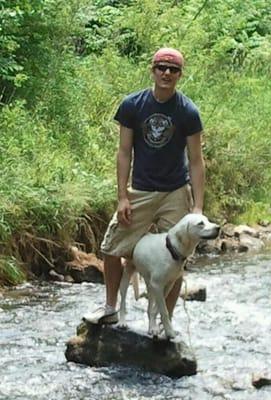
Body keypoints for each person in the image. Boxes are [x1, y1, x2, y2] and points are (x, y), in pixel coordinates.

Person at [83, 47, 205, 324]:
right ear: (152, 70)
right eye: (161, 67)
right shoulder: (132, 105)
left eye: (173, 70)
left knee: (176, 258)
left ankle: (166, 322)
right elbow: (124, 152)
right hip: (140, 190)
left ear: (180, 75)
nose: (166, 73)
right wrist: (122, 196)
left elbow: (197, 161)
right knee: (111, 247)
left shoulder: (188, 111)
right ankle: (110, 307)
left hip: (175, 192)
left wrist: (197, 207)